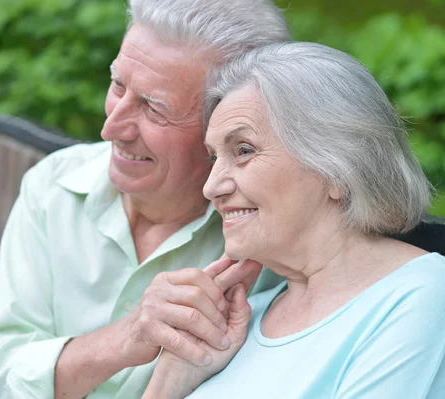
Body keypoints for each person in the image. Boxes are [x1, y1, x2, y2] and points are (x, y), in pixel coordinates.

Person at [0, 1, 291, 398]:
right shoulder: (53, 187)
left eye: (154, 109)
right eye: (118, 85)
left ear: (228, 128)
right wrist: (126, 337)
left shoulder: (272, 236)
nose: (110, 128)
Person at [143, 42, 445, 399]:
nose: (211, 188)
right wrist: (170, 380)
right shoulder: (239, 319)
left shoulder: (420, 294)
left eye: (243, 151)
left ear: (336, 167)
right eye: (214, 158)